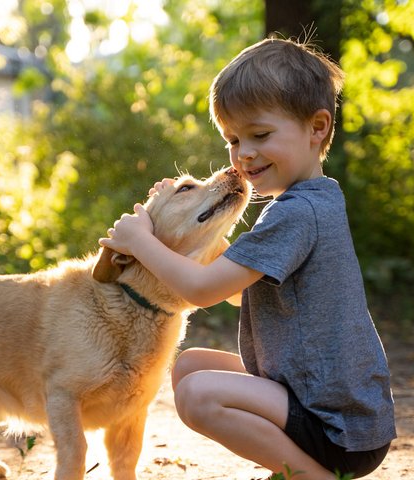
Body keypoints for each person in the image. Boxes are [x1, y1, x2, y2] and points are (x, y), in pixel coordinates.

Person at [99, 37, 396, 480]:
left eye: (260, 135)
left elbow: (202, 290)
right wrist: (177, 219)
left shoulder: (297, 212)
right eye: (233, 139)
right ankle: (298, 466)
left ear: (318, 128)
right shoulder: (311, 200)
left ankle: (313, 476)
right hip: (331, 405)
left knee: (198, 395)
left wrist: (142, 242)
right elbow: (241, 294)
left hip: (338, 428)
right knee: (189, 365)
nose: (244, 154)